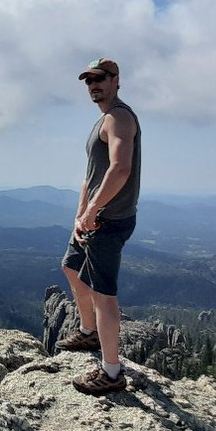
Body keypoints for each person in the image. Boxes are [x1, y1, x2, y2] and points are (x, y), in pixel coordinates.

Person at [56, 58, 141, 396]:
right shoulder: (104, 119)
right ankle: (89, 331)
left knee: (104, 295)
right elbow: (90, 174)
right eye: (89, 80)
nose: (94, 85)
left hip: (109, 220)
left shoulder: (120, 117)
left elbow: (120, 169)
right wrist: (80, 213)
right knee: (71, 267)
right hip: (91, 218)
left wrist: (93, 210)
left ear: (116, 80)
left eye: (101, 78)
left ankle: (111, 372)